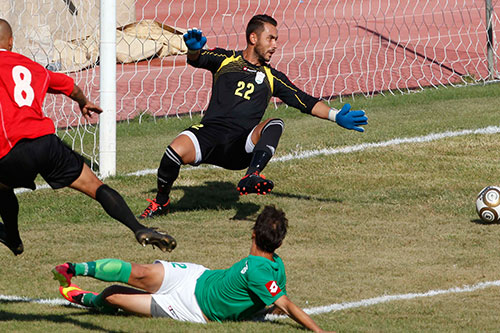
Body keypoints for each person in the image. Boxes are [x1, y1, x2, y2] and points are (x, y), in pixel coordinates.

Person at [139, 14, 367, 219]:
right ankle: (161, 202)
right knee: (172, 153)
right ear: (253, 38)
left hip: (241, 146)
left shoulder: (272, 77)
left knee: (275, 123)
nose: (275, 45)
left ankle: (252, 176)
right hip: (210, 134)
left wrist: (336, 116)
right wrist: (193, 49)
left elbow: (304, 101)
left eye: (276, 40)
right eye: (271, 38)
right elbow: (197, 59)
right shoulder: (225, 59)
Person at [0, 18, 176, 255]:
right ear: (11, 42)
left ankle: (13, 237)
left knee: (2, 187)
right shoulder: (33, 67)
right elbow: (69, 86)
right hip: (46, 142)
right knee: (96, 186)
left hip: (11, 148)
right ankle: (138, 228)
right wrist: (83, 102)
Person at [52, 206, 331, 332]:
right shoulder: (275, 265)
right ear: (279, 241)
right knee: (140, 272)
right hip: (195, 275)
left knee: (113, 295)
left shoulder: (261, 271)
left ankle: (84, 297)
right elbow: (278, 302)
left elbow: (285, 303)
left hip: (190, 309)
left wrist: (318, 332)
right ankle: (72, 268)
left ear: (253, 233)